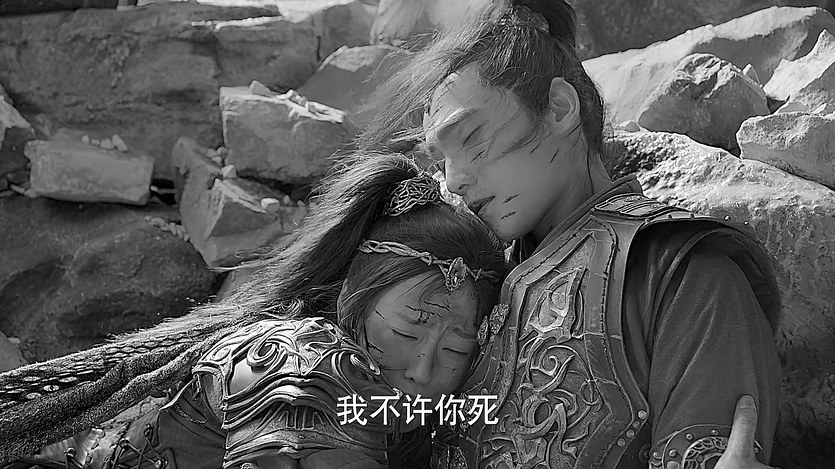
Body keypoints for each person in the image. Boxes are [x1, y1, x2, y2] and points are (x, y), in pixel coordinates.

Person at [360, 1, 784, 468]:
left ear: (560, 109)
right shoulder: (473, 280)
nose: (454, 179)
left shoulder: (682, 276)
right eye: (441, 160)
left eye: (471, 138)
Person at [0, 152, 507, 469]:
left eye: (455, 351)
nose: (423, 370)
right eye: (409, 331)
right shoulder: (307, 369)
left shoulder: (399, 404)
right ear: (354, 294)